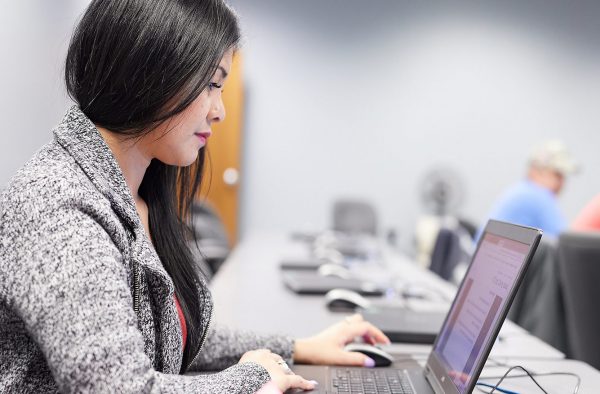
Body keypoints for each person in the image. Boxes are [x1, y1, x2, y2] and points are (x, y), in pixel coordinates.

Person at [0, 1, 389, 393]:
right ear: (149, 72)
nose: (219, 110)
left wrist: (297, 348)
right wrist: (253, 377)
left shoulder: (138, 196)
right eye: (211, 85)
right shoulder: (58, 209)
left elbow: (170, 332)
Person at [478, 140, 578, 239]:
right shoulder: (540, 197)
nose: (562, 183)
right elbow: (565, 243)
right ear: (537, 170)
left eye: (563, 177)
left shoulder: (518, 190)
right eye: (557, 175)